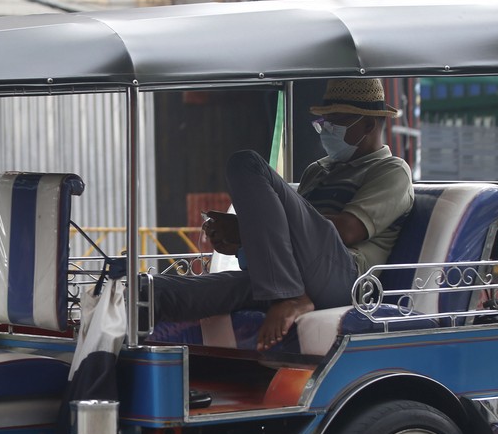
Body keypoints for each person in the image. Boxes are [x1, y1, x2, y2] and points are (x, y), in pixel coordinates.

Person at [154, 78, 414, 350]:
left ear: (369, 125)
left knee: (246, 163)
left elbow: (347, 231)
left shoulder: (391, 170)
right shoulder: (318, 170)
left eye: (335, 121)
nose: (326, 130)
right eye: (323, 123)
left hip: (344, 276)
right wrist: (243, 239)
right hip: (292, 275)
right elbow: (287, 236)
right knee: (160, 292)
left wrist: (247, 228)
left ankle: (290, 297)